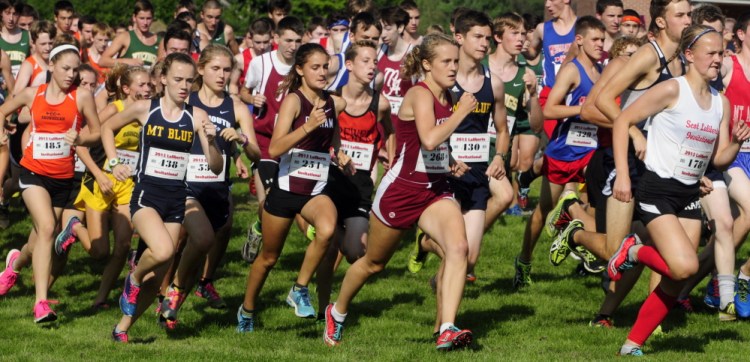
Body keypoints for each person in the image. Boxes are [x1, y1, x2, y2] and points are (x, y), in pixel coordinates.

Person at [322, 33, 475, 351]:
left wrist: (449, 160)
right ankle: (337, 312)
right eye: (446, 61)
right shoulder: (420, 95)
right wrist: (461, 113)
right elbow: (429, 139)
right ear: (427, 64)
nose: (452, 67)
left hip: (435, 189)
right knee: (373, 263)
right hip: (401, 191)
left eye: (455, 61)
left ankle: (446, 328)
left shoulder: (449, 94)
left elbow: (432, 146)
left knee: (459, 248)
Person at [608, 24, 748, 356]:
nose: (718, 59)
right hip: (657, 190)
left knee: (674, 279)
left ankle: (632, 344)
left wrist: (738, 142)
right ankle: (633, 251)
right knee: (684, 267)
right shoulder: (672, 89)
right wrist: (624, 177)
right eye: (711, 53)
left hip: (690, 192)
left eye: (721, 52)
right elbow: (621, 121)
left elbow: (720, 158)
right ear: (689, 55)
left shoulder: (721, 103)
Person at [105, 52, 223, 342]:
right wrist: (112, 162)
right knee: (164, 252)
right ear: (162, 79)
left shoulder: (196, 117)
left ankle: (122, 328)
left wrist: (211, 140)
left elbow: (216, 166)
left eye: (189, 80)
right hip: (146, 195)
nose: (184, 86)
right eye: (178, 79)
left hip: (176, 199)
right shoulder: (146, 108)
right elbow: (107, 128)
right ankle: (131, 279)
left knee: (158, 277)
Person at [236, 42, 348, 331]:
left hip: (315, 188)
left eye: (325, 67)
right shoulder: (294, 101)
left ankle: (299, 289)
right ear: (299, 70)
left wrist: (340, 152)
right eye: (315, 67)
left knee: (327, 230)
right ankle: (247, 310)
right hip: (286, 188)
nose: (322, 73)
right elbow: (274, 148)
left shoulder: (334, 102)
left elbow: (331, 134)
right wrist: (308, 126)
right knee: (269, 258)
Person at [160, 44, 260, 328]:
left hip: (216, 185)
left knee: (201, 245)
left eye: (227, 70)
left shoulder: (236, 106)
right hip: (183, 184)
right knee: (183, 242)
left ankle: (175, 296)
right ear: (200, 69)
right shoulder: (185, 100)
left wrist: (242, 141)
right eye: (215, 68)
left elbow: (257, 155)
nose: (222, 75)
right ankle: (167, 295)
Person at [0, 43, 101, 323]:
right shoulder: (34, 94)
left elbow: (96, 132)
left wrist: (80, 139)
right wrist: (2, 130)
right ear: (52, 66)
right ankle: (41, 303)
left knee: (39, 238)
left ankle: (14, 266)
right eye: (65, 68)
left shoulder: (81, 97)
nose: (71, 74)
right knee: (47, 228)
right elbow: (2, 110)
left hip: (63, 179)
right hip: (33, 172)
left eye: (75, 69)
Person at [514, 16, 605, 288]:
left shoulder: (600, 71)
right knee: (543, 210)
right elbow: (551, 109)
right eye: (595, 40)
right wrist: (582, 110)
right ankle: (524, 260)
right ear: (579, 40)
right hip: (564, 150)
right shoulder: (572, 70)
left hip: (591, 150)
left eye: (603, 40)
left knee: (594, 201)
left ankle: (589, 248)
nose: (601, 45)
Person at [314, 39, 392, 318]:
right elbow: (317, 136)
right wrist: (335, 153)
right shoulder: (332, 100)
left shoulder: (380, 103)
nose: (372, 66)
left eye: (375, 61)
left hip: (360, 185)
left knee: (355, 251)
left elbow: (390, 132)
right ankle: (324, 306)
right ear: (349, 65)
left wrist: (388, 157)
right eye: (365, 61)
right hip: (330, 182)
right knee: (330, 245)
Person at [239, 16, 303, 264]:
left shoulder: (302, 65)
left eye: (298, 40)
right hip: (264, 140)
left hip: (293, 142)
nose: (293, 46)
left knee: (287, 197)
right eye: (288, 40)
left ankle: (259, 226)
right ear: (276, 39)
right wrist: (251, 99)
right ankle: (260, 232)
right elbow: (244, 90)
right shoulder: (260, 63)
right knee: (267, 198)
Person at [99, 0, 160, 69]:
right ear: (134, 18)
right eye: (142, 18)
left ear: (153, 18)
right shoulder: (124, 37)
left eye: (148, 18)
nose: (145, 22)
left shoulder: (159, 40)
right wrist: (126, 62)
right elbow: (102, 61)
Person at [231, 18, 273, 95]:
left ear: (271, 37)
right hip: (248, 102)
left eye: (266, 42)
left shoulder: (278, 52)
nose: (262, 46)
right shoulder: (240, 59)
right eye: (258, 42)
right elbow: (233, 85)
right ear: (251, 38)